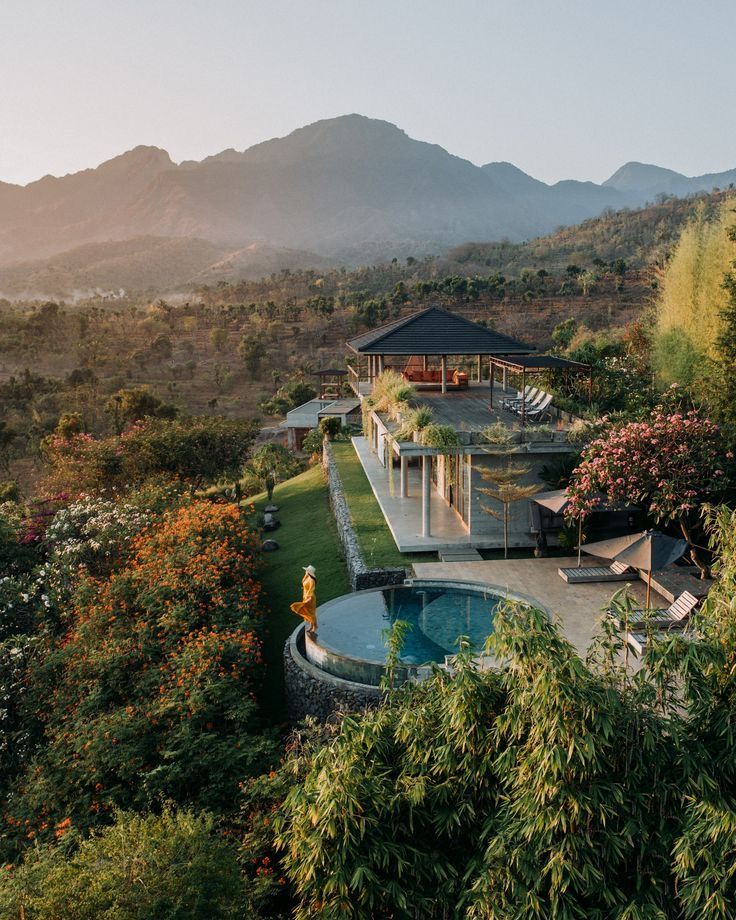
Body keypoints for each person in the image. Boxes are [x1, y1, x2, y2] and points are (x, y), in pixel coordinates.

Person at [290, 565, 317, 633]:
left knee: (311, 612)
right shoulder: (306, 577)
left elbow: (311, 589)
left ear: (309, 572)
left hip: (309, 597)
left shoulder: (311, 580)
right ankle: (311, 625)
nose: (305, 571)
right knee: (307, 611)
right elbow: (303, 583)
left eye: (306, 570)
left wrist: (309, 598)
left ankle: (315, 626)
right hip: (305, 596)